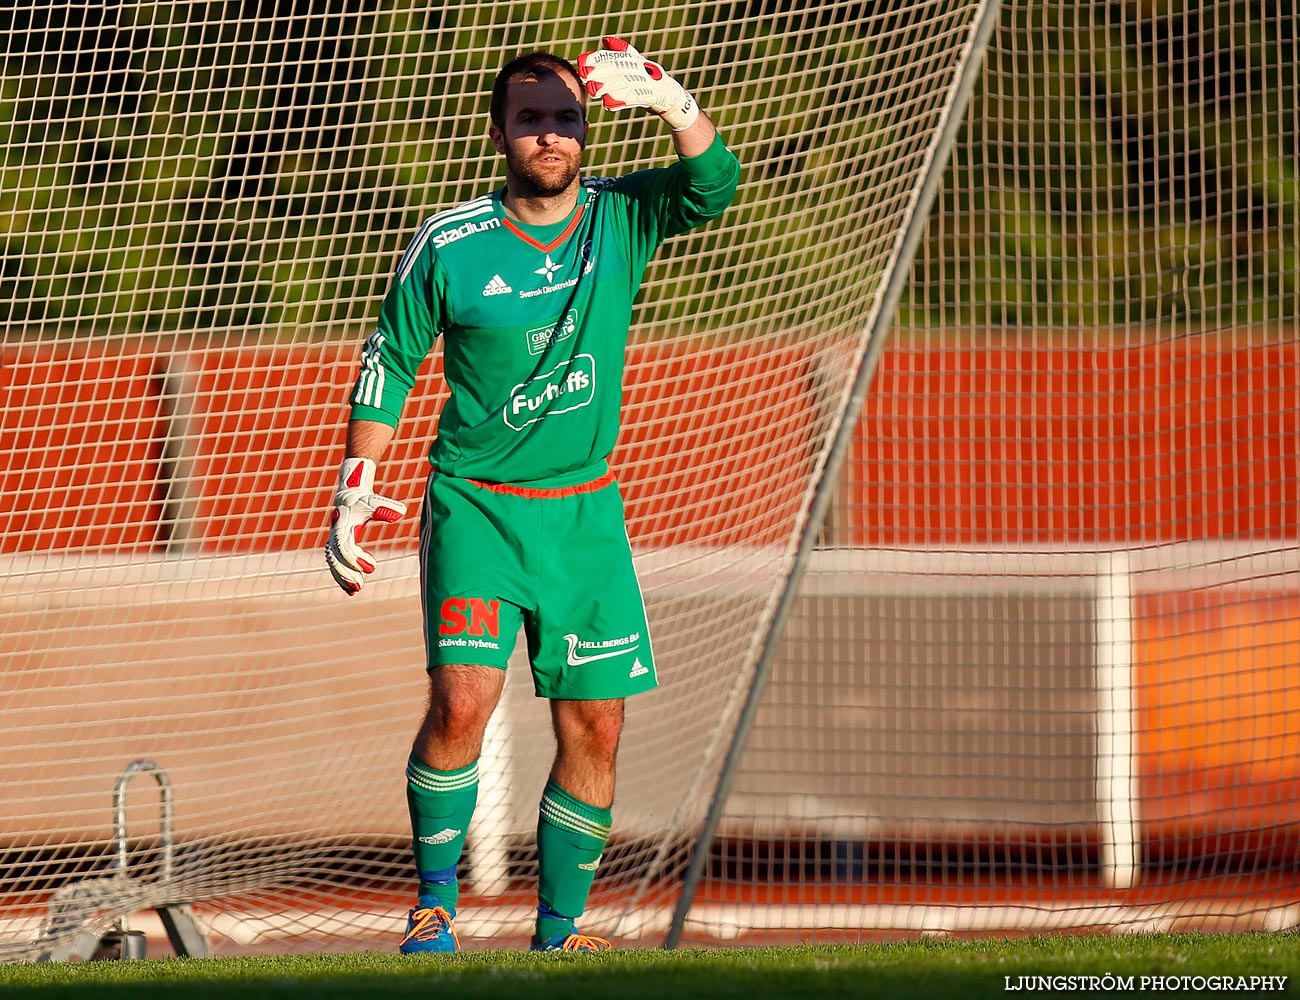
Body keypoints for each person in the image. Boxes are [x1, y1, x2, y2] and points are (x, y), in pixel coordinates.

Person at [324, 37, 740, 953]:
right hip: (477, 504)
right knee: (462, 702)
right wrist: (356, 485)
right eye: (530, 121)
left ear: (587, 128)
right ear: (499, 132)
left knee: (595, 721)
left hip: (586, 515)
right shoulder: (451, 242)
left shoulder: (622, 215)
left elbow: (714, 183)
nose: (549, 136)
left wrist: (674, 104)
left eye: (564, 119)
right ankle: (434, 906)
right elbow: (390, 361)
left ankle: (560, 933)